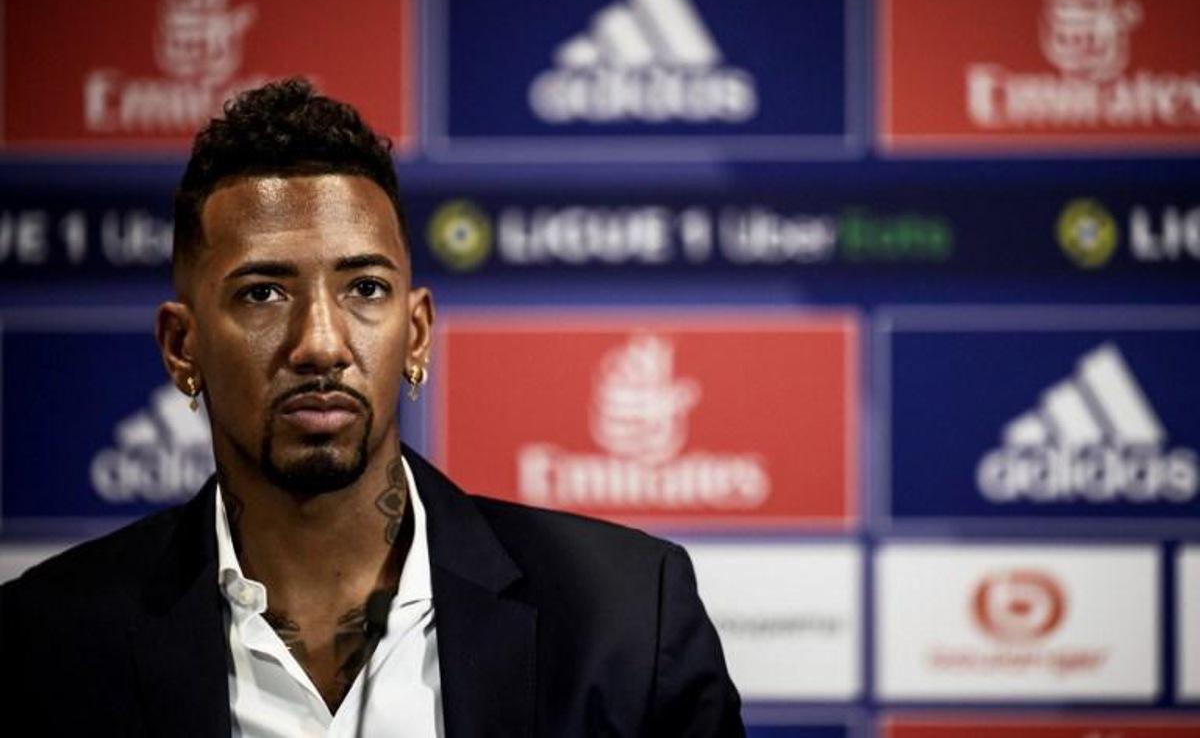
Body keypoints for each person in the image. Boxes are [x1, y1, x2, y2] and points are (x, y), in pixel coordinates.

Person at [0, 78, 743, 736]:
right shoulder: (46, 644)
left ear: (415, 333)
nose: (320, 343)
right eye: (263, 293)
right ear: (181, 347)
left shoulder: (623, 617)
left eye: (364, 289)